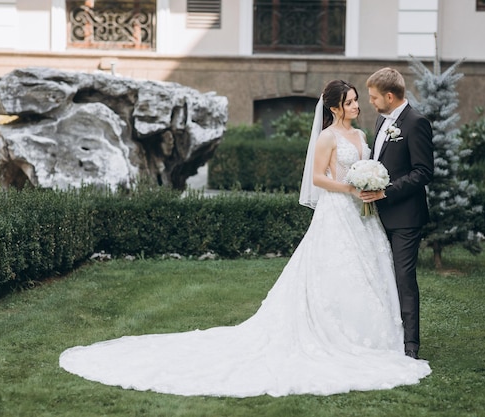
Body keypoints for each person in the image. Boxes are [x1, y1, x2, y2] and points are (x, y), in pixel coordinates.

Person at [59, 80, 431, 397]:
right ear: (335, 108)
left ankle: (379, 337)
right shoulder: (327, 138)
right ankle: (336, 334)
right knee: (336, 272)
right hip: (338, 211)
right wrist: (349, 188)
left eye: (356, 100)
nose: (357, 106)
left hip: (363, 217)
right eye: (350, 101)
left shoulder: (363, 135)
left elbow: (374, 165)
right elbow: (318, 179)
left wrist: (370, 182)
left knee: (371, 271)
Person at [361, 68, 434, 360]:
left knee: (404, 278)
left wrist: (385, 192)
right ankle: (387, 335)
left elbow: (423, 172)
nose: (371, 102)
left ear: (389, 96)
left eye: (374, 97)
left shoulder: (416, 123)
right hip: (379, 216)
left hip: (405, 216)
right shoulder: (381, 120)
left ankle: (411, 346)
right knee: (379, 275)